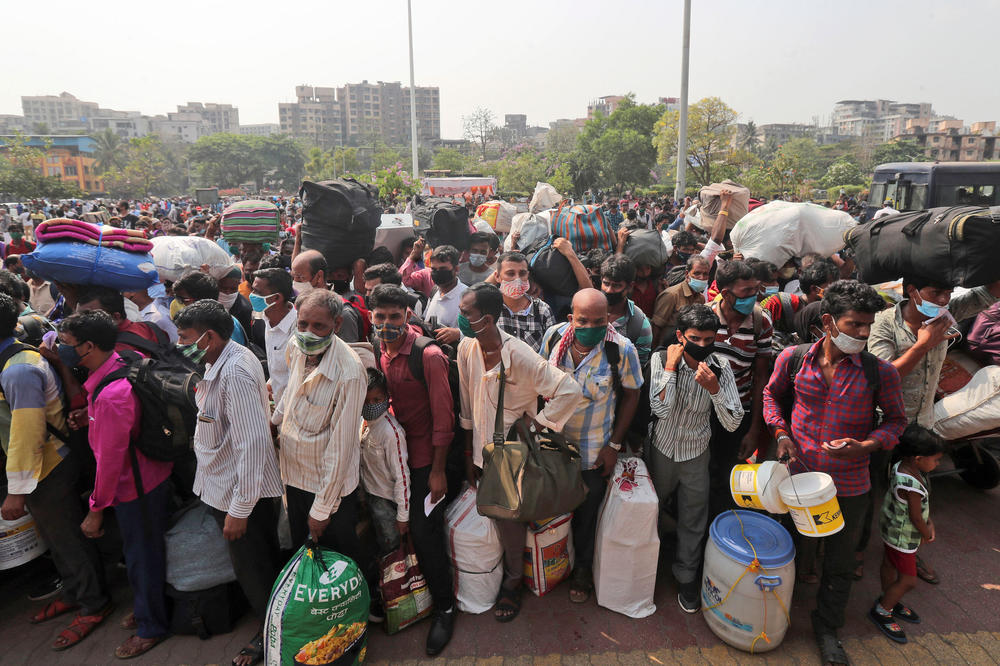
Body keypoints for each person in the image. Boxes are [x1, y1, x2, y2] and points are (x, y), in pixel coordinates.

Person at [763, 280, 907, 666]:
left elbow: (896, 422)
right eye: (853, 324)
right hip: (797, 479)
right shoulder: (793, 359)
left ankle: (827, 630)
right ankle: (775, 613)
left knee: (840, 564)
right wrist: (780, 432)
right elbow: (771, 396)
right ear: (828, 321)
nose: (862, 333)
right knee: (787, 552)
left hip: (849, 485)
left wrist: (869, 446)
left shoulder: (881, 373)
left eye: (868, 325)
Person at [457, 283, 582, 622]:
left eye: (466, 313)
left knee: (512, 517)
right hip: (483, 453)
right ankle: (509, 571)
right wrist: (470, 454)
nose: (461, 318)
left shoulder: (520, 355)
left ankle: (513, 583)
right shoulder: (467, 347)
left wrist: (540, 424)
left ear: (486, 318)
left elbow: (569, 390)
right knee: (499, 515)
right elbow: (467, 401)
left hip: (514, 453)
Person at [866, 274, 1000, 583]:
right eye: (935, 292)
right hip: (884, 426)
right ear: (912, 291)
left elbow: (987, 292)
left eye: (947, 293)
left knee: (916, 494)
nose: (942, 300)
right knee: (873, 492)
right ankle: (859, 554)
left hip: (921, 426)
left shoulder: (944, 313)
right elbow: (885, 377)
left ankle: (908, 552)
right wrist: (923, 346)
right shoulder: (884, 323)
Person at [0, 293, 114, 651]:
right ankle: (74, 590)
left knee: (67, 538)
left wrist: (16, 491)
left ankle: (94, 603)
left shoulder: (19, 369)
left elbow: (27, 432)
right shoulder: (11, 359)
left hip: (47, 467)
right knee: (54, 537)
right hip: (36, 469)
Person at [175, 300, 283, 666]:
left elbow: (252, 443)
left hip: (240, 493)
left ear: (208, 337)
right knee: (255, 565)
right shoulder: (224, 359)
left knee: (255, 568)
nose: (180, 343)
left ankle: (270, 636)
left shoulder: (234, 371)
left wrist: (239, 510)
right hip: (227, 485)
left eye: (185, 338)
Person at [60, 311, 171, 659]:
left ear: (89, 346)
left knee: (141, 557)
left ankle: (151, 626)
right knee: (146, 551)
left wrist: (96, 510)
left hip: (134, 487)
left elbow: (110, 463)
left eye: (67, 346)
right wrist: (90, 416)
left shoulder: (111, 396)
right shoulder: (125, 360)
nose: (61, 352)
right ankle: (147, 608)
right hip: (153, 473)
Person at [369, 284, 456, 655]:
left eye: (394, 316)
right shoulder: (377, 348)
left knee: (423, 531)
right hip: (394, 456)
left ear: (408, 315)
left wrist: (438, 471)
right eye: (380, 317)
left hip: (424, 459)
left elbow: (444, 418)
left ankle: (446, 608)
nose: (387, 324)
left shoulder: (429, 355)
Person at [540, 288, 642, 604]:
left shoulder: (621, 350)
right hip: (554, 446)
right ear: (571, 318)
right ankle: (552, 564)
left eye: (598, 321)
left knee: (587, 515)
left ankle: (582, 569)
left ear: (609, 319)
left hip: (593, 450)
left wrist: (613, 445)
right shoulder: (554, 337)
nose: (590, 326)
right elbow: (537, 380)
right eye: (582, 320)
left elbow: (632, 395)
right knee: (552, 508)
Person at [649, 304, 743, 613]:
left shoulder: (721, 368)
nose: (702, 345)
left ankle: (686, 575)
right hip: (661, 449)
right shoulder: (661, 360)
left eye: (708, 339)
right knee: (650, 511)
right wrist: (671, 370)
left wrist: (715, 390)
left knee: (693, 517)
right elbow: (660, 410)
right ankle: (647, 567)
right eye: (694, 338)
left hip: (695, 452)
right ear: (680, 336)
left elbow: (732, 422)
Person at [272, 289, 367, 558]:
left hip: (327, 490)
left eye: (319, 326)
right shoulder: (296, 347)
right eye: (303, 324)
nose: (308, 332)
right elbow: (291, 391)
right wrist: (274, 421)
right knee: (305, 557)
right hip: (294, 477)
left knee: (335, 561)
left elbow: (341, 449)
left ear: (336, 325)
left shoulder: (349, 372)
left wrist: (322, 509)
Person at [706, 260, 773, 516]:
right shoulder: (706, 317)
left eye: (755, 290)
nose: (752, 297)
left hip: (739, 412)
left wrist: (754, 429)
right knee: (703, 474)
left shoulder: (761, 322)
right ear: (726, 294)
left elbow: (760, 378)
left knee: (729, 474)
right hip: (705, 412)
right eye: (746, 293)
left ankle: (723, 522)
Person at [870, 424, 943, 645]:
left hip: (890, 529)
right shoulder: (912, 485)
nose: (937, 463)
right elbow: (916, 517)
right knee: (909, 580)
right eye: (936, 459)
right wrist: (927, 531)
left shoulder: (901, 466)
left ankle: (889, 597)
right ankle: (883, 610)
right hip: (902, 538)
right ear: (918, 458)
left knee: (888, 565)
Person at [360, 368, 411, 556]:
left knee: (393, 552)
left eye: (377, 400)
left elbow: (402, 477)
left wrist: (403, 516)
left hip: (387, 504)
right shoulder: (363, 423)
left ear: (386, 397)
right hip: (371, 497)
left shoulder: (392, 433)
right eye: (366, 401)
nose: (371, 405)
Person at [251, 267, 297, 406]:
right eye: (253, 290)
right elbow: (278, 370)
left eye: (257, 292)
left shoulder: (297, 330)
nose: (252, 295)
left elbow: (295, 385)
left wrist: (275, 419)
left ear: (276, 298)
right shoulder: (265, 319)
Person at [494, 250, 556, 352]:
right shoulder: (489, 307)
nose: (517, 279)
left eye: (522, 273)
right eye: (510, 274)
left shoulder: (542, 310)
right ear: (497, 276)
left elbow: (553, 351)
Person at [600, 254, 653, 365]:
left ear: (630, 286)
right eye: (606, 284)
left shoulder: (640, 325)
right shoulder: (588, 309)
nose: (609, 290)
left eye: (616, 285)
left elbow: (638, 366)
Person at [650, 255, 712, 347]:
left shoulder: (701, 298)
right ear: (687, 274)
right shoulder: (671, 295)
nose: (701, 277)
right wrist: (653, 352)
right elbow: (656, 327)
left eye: (705, 274)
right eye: (697, 273)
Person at [420, 245, 467, 342]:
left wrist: (458, 334)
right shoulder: (434, 291)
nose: (437, 273)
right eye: (434, 269)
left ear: (456, 269)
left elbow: (482, 332)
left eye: (443, 269)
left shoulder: (468, 297)